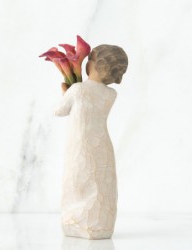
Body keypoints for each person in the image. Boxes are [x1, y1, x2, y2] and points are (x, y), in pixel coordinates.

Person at [53, 44, 128, 240]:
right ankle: (101, 224)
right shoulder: (111, 94)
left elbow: (59, 111)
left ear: (95, 66)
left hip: (79, 144)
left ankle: (75, 222)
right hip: (102, 145)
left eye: (89, 59)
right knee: (101, 183)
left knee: (77, 181)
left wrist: (66, 91)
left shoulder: (77, 90)